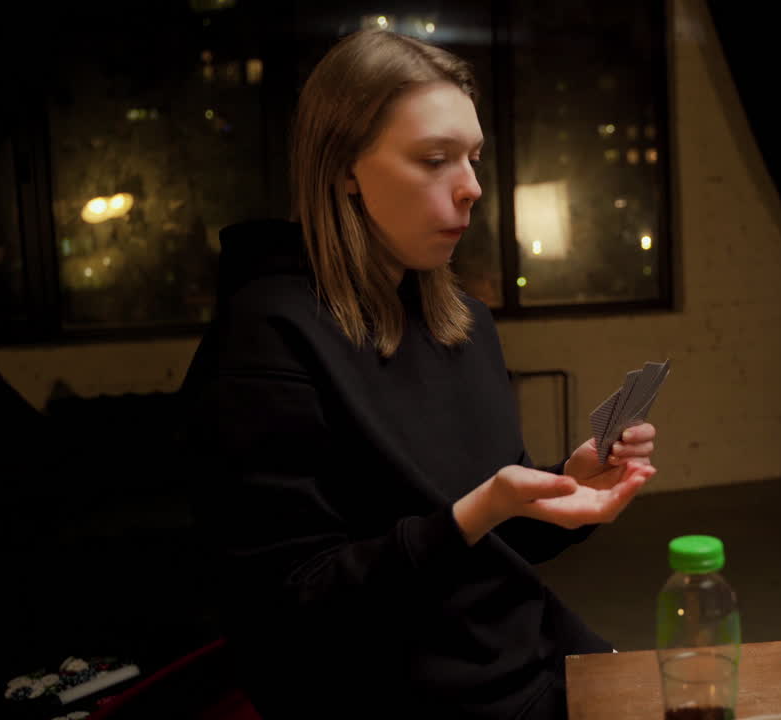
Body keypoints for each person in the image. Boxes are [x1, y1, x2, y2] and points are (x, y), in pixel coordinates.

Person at [181, 30, 657, 718]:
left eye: (473, 158)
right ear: (344, 166)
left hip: (534, 662)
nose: (472, 188)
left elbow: (489, 539)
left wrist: (564, 488)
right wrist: (477, 511)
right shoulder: (266, 337)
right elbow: (291, 606)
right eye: (434, 160)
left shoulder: (463, 321)